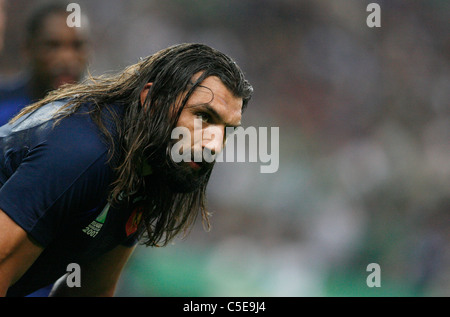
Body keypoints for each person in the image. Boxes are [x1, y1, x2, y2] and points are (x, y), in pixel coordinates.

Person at [0, 42, 253, 297]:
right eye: (203, 116)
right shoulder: (85, 152)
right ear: (151, 99)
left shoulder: (145, 164)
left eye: (227, 130)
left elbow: (93, 290)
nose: (214, 143)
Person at [0, 1, 90, 126]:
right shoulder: (4, 108)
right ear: (28, 49)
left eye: (77, 45)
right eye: (53, 45)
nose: (67, 58)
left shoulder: (101, 118)